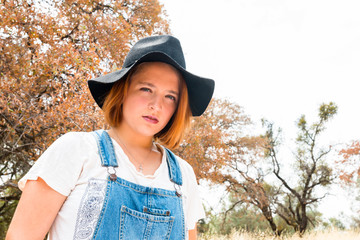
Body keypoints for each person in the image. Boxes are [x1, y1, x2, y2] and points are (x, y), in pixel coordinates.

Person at [6, 35, 215, 240]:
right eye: (146, 89)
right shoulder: (76, 150)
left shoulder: (182, 175)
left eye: (170, 96)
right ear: (122, 90)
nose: (156, 105)